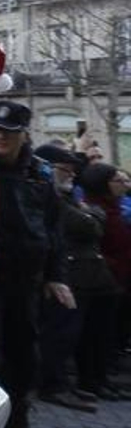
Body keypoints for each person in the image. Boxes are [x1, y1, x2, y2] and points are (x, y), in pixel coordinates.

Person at [0, 97, 73, 428]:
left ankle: (16, 427)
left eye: (8, 132)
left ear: (23, 135)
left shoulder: (39, 172)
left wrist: (55, 275)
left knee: (24, 356)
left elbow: (53, 227)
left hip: (25, 279)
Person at [33, 145, 109, 412]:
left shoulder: (66, 196)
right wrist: (90, 215)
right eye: (65, 170)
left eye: (72, 171)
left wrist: (90, 215)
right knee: (58, 332)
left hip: (76, 274)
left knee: (69, 332)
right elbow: (86, 224)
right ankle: (51, 383)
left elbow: (97, 221)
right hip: (63, 273)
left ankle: (60, 382)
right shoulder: (49, 195)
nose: (70, 176)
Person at [81, 161, 131, 399]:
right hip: (102, 279)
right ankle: (92, 380)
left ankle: (101, 378)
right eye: (117, 181)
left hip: (115, 280)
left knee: (105, 333)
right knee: (95, 333)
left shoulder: (113, 208)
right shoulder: (95, 209)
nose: (123, 185)